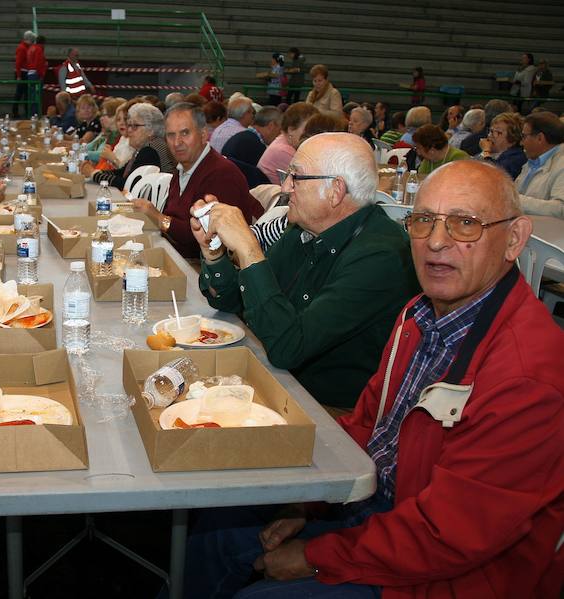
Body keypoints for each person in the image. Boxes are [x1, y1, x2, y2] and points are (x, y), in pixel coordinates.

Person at [180, 160, 563, 599]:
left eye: (465, 224)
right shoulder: (419, 315)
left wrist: (316, 555)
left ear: (514, 239)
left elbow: (448, 535)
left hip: (449, 573)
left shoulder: (528, 375)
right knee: (216, 527)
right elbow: (370, 424)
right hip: (378, 506)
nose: (437, 242)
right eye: (423, 221)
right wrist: (306, 503)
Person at [195, 133, 419, 409]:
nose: (285, 187)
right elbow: (232, 302)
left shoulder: (380, 257)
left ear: (336, 190)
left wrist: (249, 249)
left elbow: (289, 349)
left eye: (295, 177)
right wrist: (214, 253)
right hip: (280, 383)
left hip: (330, 416)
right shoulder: (304, 230)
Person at [131, 102, 264, 259]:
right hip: (177, 257)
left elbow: (205, 240)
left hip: (208, 270)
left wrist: (159, 218)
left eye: (185, 133)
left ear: (203, 135)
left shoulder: (221, 174)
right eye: (171, 135)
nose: (177, 142)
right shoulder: (182, 169)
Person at [82, 102, 175, 190]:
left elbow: (127, 184)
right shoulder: (146, 146)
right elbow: (121, 173)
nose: (129, 130)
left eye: (134, 126)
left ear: (150, 130)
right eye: (129, 125)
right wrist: (94, 172)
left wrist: (93, 173)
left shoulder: (150, 150)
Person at [515, 110, 564, 218]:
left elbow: (560, 209)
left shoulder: (561, 165)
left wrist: (516, 200)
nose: (521, 142)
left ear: (540, 138)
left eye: (524, 136)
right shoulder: (533, 160)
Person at [256, 102, 319, 185]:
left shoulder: (283, 142)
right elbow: (313, 181)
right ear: (291, 129)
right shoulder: (283, 150)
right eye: (308, 129)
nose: (313, 134)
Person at [478, 112, 527, 179]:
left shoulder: (517, 157)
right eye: (491, 131)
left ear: (513, 138)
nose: (490, 135)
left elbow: (496, 175)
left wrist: (486, 152)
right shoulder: (492, 152)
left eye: (498, 132)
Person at [12, 30, 36, 118]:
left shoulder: (24, 47)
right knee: (21, 93)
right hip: (22, 73)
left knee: (24, 93)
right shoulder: (22, 48)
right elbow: (18, 63)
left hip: (23, 72)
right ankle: (18, 111)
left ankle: (22, 112)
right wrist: (18, 76)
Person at [25, 34, 47, 117]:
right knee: (37, 96)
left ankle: (31, 114)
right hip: (36, 74)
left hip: (30, 73)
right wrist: (41, 75)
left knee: (31, 95)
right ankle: (35, 114)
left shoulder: (31, 48)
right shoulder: (39, 49)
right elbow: (39, 63)